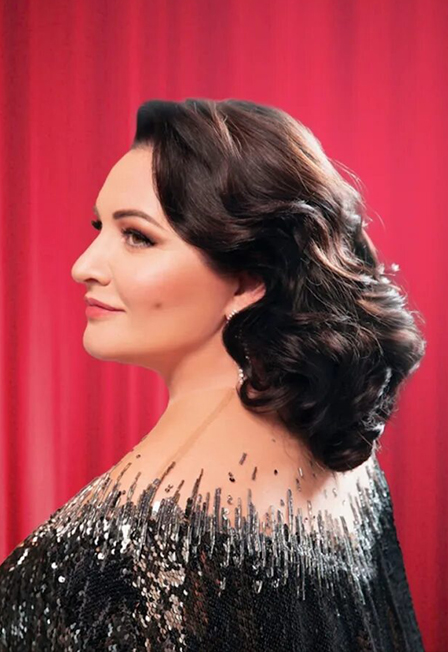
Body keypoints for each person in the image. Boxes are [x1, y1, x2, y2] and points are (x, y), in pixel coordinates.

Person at [0, 98, 426, 651]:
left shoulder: (97, 564)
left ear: (248, 280)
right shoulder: (348, 465)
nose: (84, 266)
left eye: (137, 236)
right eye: (100, 226)